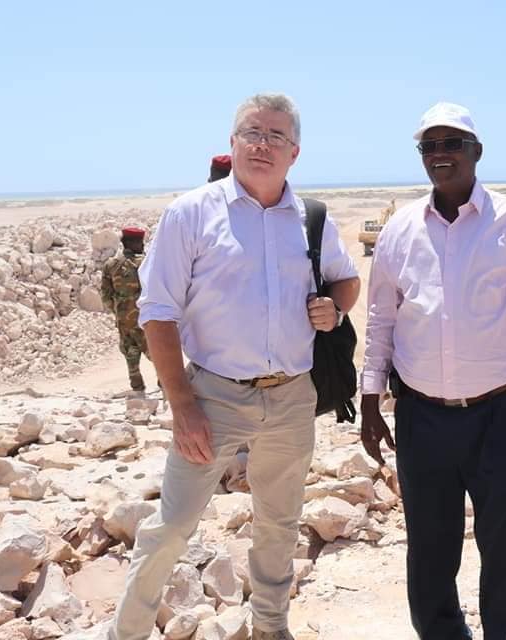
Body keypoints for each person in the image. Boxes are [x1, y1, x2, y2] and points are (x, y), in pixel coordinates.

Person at [111, 93, 360, 640]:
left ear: (295, 152)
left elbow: (346, 278)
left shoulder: (312, 218)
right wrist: (182, 406)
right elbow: (157, 312)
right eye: (252, 132)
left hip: (292, 397)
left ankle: (270, 627)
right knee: (172, 526)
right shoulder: (191, 213)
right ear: (232, 142)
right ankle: (125, 633)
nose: (262, 144)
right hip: (213, 397)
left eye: (276, 136)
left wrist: (335, 308)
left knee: (279, 523)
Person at [359, 102, 506, 640]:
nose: (440, 154)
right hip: (421, 417)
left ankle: (502, 634)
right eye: (429, 146)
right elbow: (382, 318)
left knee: (503, 543)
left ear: (477, 152)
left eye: (452, 143)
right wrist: (370, 398)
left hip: (503, 415)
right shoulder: (400, 229)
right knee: (430, 547)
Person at [100, 227, 151, 391]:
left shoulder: (111, 265)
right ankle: (164, 384)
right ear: (133, 243)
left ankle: (137, 386)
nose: (142, 246)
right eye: (140, 242)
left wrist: (119, 311)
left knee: (130, 352)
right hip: (146, 318)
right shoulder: (147, 262)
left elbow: (106, 296)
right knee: (156, 351)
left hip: (124, 320)